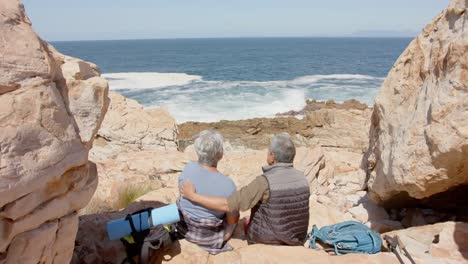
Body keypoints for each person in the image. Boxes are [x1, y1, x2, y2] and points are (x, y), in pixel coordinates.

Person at [180, 134, 310, 246]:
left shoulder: (264, 181)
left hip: (269, 239)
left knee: (244, 218)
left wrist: (193, 196)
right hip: (297, 237)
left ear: (272, 156)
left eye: (268, 151)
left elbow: (228, 205)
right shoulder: (303, 178)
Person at [176, 130, 239, 254]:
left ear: (198, 151)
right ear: (220, 155)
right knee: (234, 214)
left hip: (184, 229)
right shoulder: (228, 185)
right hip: (208, 238)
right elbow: (232, 219)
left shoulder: (188, 168)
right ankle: (224, 237)